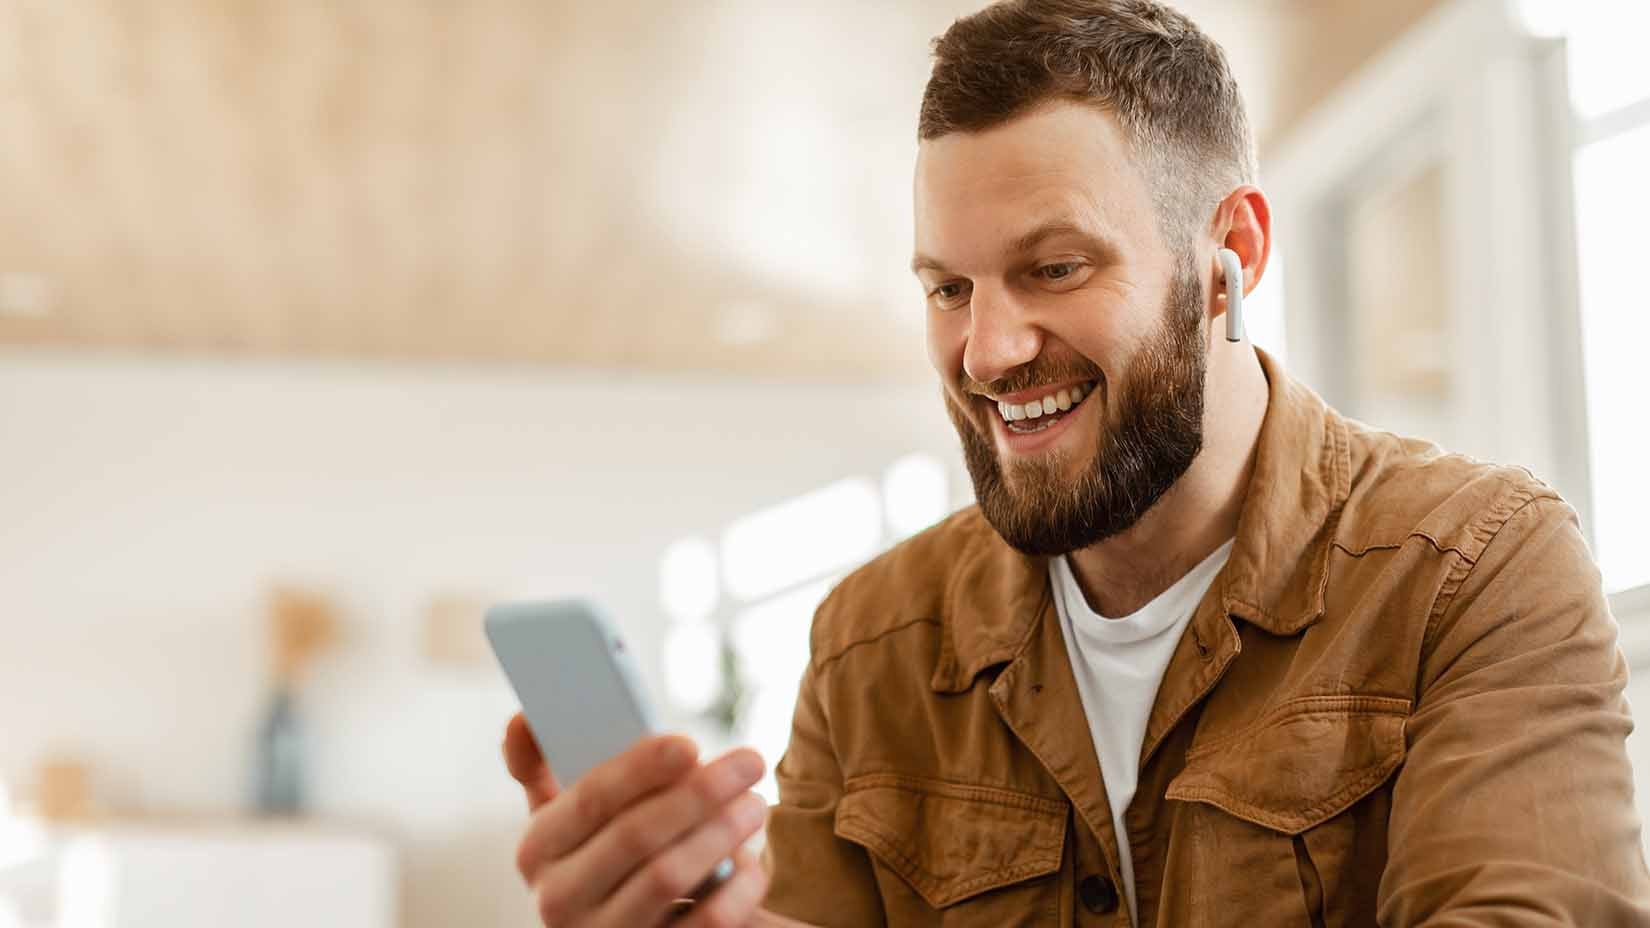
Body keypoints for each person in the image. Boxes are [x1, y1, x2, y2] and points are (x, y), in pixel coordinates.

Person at [502, 1, 1650, 924]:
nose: (987, 351)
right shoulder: (870, 642)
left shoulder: (1477, 572)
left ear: (1231, 253)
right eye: (948, 287)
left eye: (1053, 268)